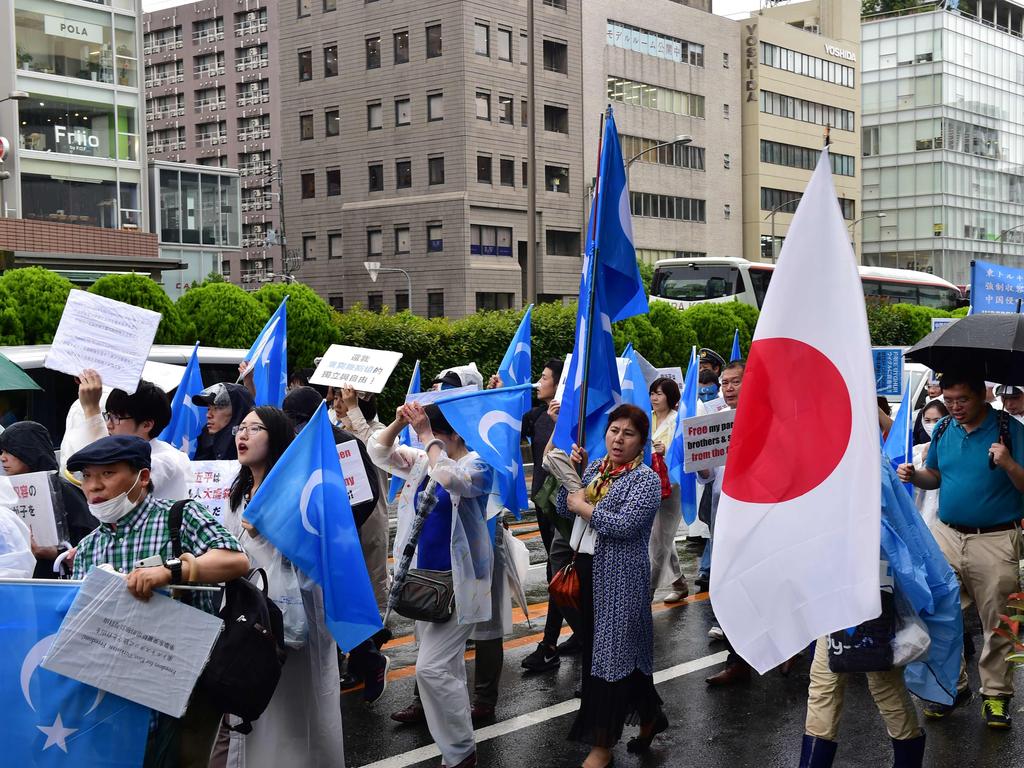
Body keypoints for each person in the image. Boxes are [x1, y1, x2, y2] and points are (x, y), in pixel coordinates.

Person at [67, 435, 249, 767]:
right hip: (111, 689)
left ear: (143, 476)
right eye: (87, 476)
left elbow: (235, 560)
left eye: (106, 474)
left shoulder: (178, 516)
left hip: (180, 682)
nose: (93, 486)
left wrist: (171, 571)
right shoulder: (89, 546)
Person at [369, 401, 493, 768]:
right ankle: (456, 747)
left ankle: (459, 752)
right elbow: (378, 451)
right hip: (423, 584)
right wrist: (397, 422)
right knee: (447, 667)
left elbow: (451, 479)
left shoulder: (478, 466)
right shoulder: (423, 460)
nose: (426, 442)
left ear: (453, 433)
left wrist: (425, 435)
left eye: (434, 434)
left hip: (461, 583)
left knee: (431, 669)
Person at [220, 406, 345, 767]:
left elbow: (320, 553)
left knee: (296, 705)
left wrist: (274, 527)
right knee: (254, 701)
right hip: (247, 614)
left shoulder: (299, 490)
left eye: (254, 428)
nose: (242, 435)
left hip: (292, 617)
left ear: (275, 437)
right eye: (240, 428)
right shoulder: (238, 492)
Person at [897, 375, 1024, 728]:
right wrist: (915, 475)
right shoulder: (943, 430)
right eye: (949, 399)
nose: (953, 407)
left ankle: (997, 696)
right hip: (946, 534)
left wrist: (1009, 463)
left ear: (982, 397)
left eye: (962, 400)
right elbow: (935, 476)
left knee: (1000, 620)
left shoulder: (1010, 430)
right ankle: (950, 688)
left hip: (996, 538)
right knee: (938, 611)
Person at [798, 458, 934, 768]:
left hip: (872, 589)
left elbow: (897, 530)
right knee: (824, 681)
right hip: (831, 591)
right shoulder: (816, 460)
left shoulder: (873, 462)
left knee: (882, 681)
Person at [557, 404, 666, 768]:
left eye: (628, 434)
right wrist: (572, 475)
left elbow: (625, 526)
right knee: (610, 655)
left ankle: (601, 745)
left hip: (621, 579)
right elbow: (563, 506)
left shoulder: (645, 480)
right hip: (588, 571)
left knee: (608, 659)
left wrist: (585, 507)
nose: (618, 439)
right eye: (614, 431)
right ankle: (650, 715)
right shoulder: (597, 469)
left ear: (641, 441)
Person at [284, 385, 390, 704]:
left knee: (341, 603)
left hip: (340, 540)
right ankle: (358, 659)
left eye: (297, 420)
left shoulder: (345, 444)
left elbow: (364, 495)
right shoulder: (291, 445)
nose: (294, 428)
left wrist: (339, 530)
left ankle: (368, 660)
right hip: (304, 538)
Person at [520, 358, 584, 672]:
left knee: (559, 573)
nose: (538, 382)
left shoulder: (573, 418)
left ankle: (551, 644)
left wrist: (562, 422)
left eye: (544, 377)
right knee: (557, 573)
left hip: (569, 506)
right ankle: (576, 635)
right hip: (545, 504)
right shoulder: (535, 416)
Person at [698, 361, 758, 684]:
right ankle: (738, 660)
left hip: (754, 515)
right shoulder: (716, 420)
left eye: (736, 382)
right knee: (729, 585)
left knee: (760, 583)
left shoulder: (760, 419)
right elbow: (710, 475)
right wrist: (703, 467)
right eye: (725, 383)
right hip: (724, 515)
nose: (729, 388)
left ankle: (785, 644)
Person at [60, 372, 191, 499]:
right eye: (108, 416)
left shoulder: (167, 460)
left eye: (116, 418)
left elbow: (109, 470)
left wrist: (91, 409)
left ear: (146, 425)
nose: (108, 425)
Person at [0, 421, 96, 577]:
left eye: (10, 451)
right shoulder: (5, 493)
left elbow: (90, 539)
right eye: (2, 451)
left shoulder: (62, 490)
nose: (3, 458)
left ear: (29, 451)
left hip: (56, 579)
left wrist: (57, 553)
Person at [648, 376, 689, 603]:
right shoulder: (647, 417)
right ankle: (679, 582)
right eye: (652, 393)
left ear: (670, 397)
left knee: (660, 541)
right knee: (661, 537)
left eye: (659, 393)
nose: (654, 398)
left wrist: (668, 450)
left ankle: (647, 593)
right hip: (648, 485)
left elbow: (683, 453)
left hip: (671, 488)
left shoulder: (677, 421)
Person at [910, 400, 949, 528]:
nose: (932, 425)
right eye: (927, 420)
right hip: (921, 515)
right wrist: (922, 457)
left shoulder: (954, 447)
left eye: (937, 419)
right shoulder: (917, 450)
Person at [192, 383, 255, 461]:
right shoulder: (206, 437)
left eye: (217, 408)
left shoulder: (254, 444)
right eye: (208, 409)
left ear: (237, 411)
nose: (208, 415)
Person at [912, 378, 943, 445]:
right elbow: (916, 440)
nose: (931, 391)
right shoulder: (922, 412)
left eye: (937, 386)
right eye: (929, 387)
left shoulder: (954, 413)